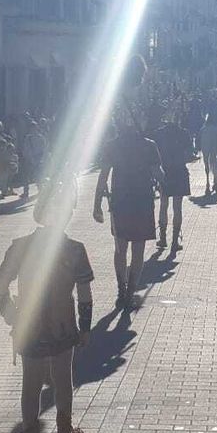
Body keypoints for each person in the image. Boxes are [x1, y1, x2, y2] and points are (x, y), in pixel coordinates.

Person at [0, 182, 93, 433]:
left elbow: (0, 286)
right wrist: (85, 326)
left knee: (31, 384)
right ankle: (65, 432)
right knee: (63, 378)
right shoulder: (75, 250)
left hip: (30, 324)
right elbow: (84, 293)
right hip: (63, 324)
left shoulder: (20, 247)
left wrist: (11, 314)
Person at [94, 116, 164, 310]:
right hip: (142, 202)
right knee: (138, 250)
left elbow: (103, 176)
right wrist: (162, 180)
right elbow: (159, 174)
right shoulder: (149, 146)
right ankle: (131, 290)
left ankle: (121, 289)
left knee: (120, 248)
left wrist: (96, 204)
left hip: (120, 202)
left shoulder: (112, 146)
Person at [151, 106, 194, 251]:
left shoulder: (158, 134)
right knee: (177, 208)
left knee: (163, 205)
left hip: (164, 172)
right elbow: (189, 155)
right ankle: (175, 241)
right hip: (180, 172)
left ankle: (163, 238)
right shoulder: (184, 133)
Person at [199, 109, 217, 196]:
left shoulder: (211, 107)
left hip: (209, 126)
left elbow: (208, 119)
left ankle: (207, 183)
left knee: (200, 133)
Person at [20, 120, 49, 199]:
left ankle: (38, 190)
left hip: (36, 159)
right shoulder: (29, 138)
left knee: (36, 176)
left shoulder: (40, 138)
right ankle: (28, 191)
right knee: (29, 176)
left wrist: (42, 159)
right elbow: (26, 149)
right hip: (32, 159)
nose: (33, 130)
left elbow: (44, 149)